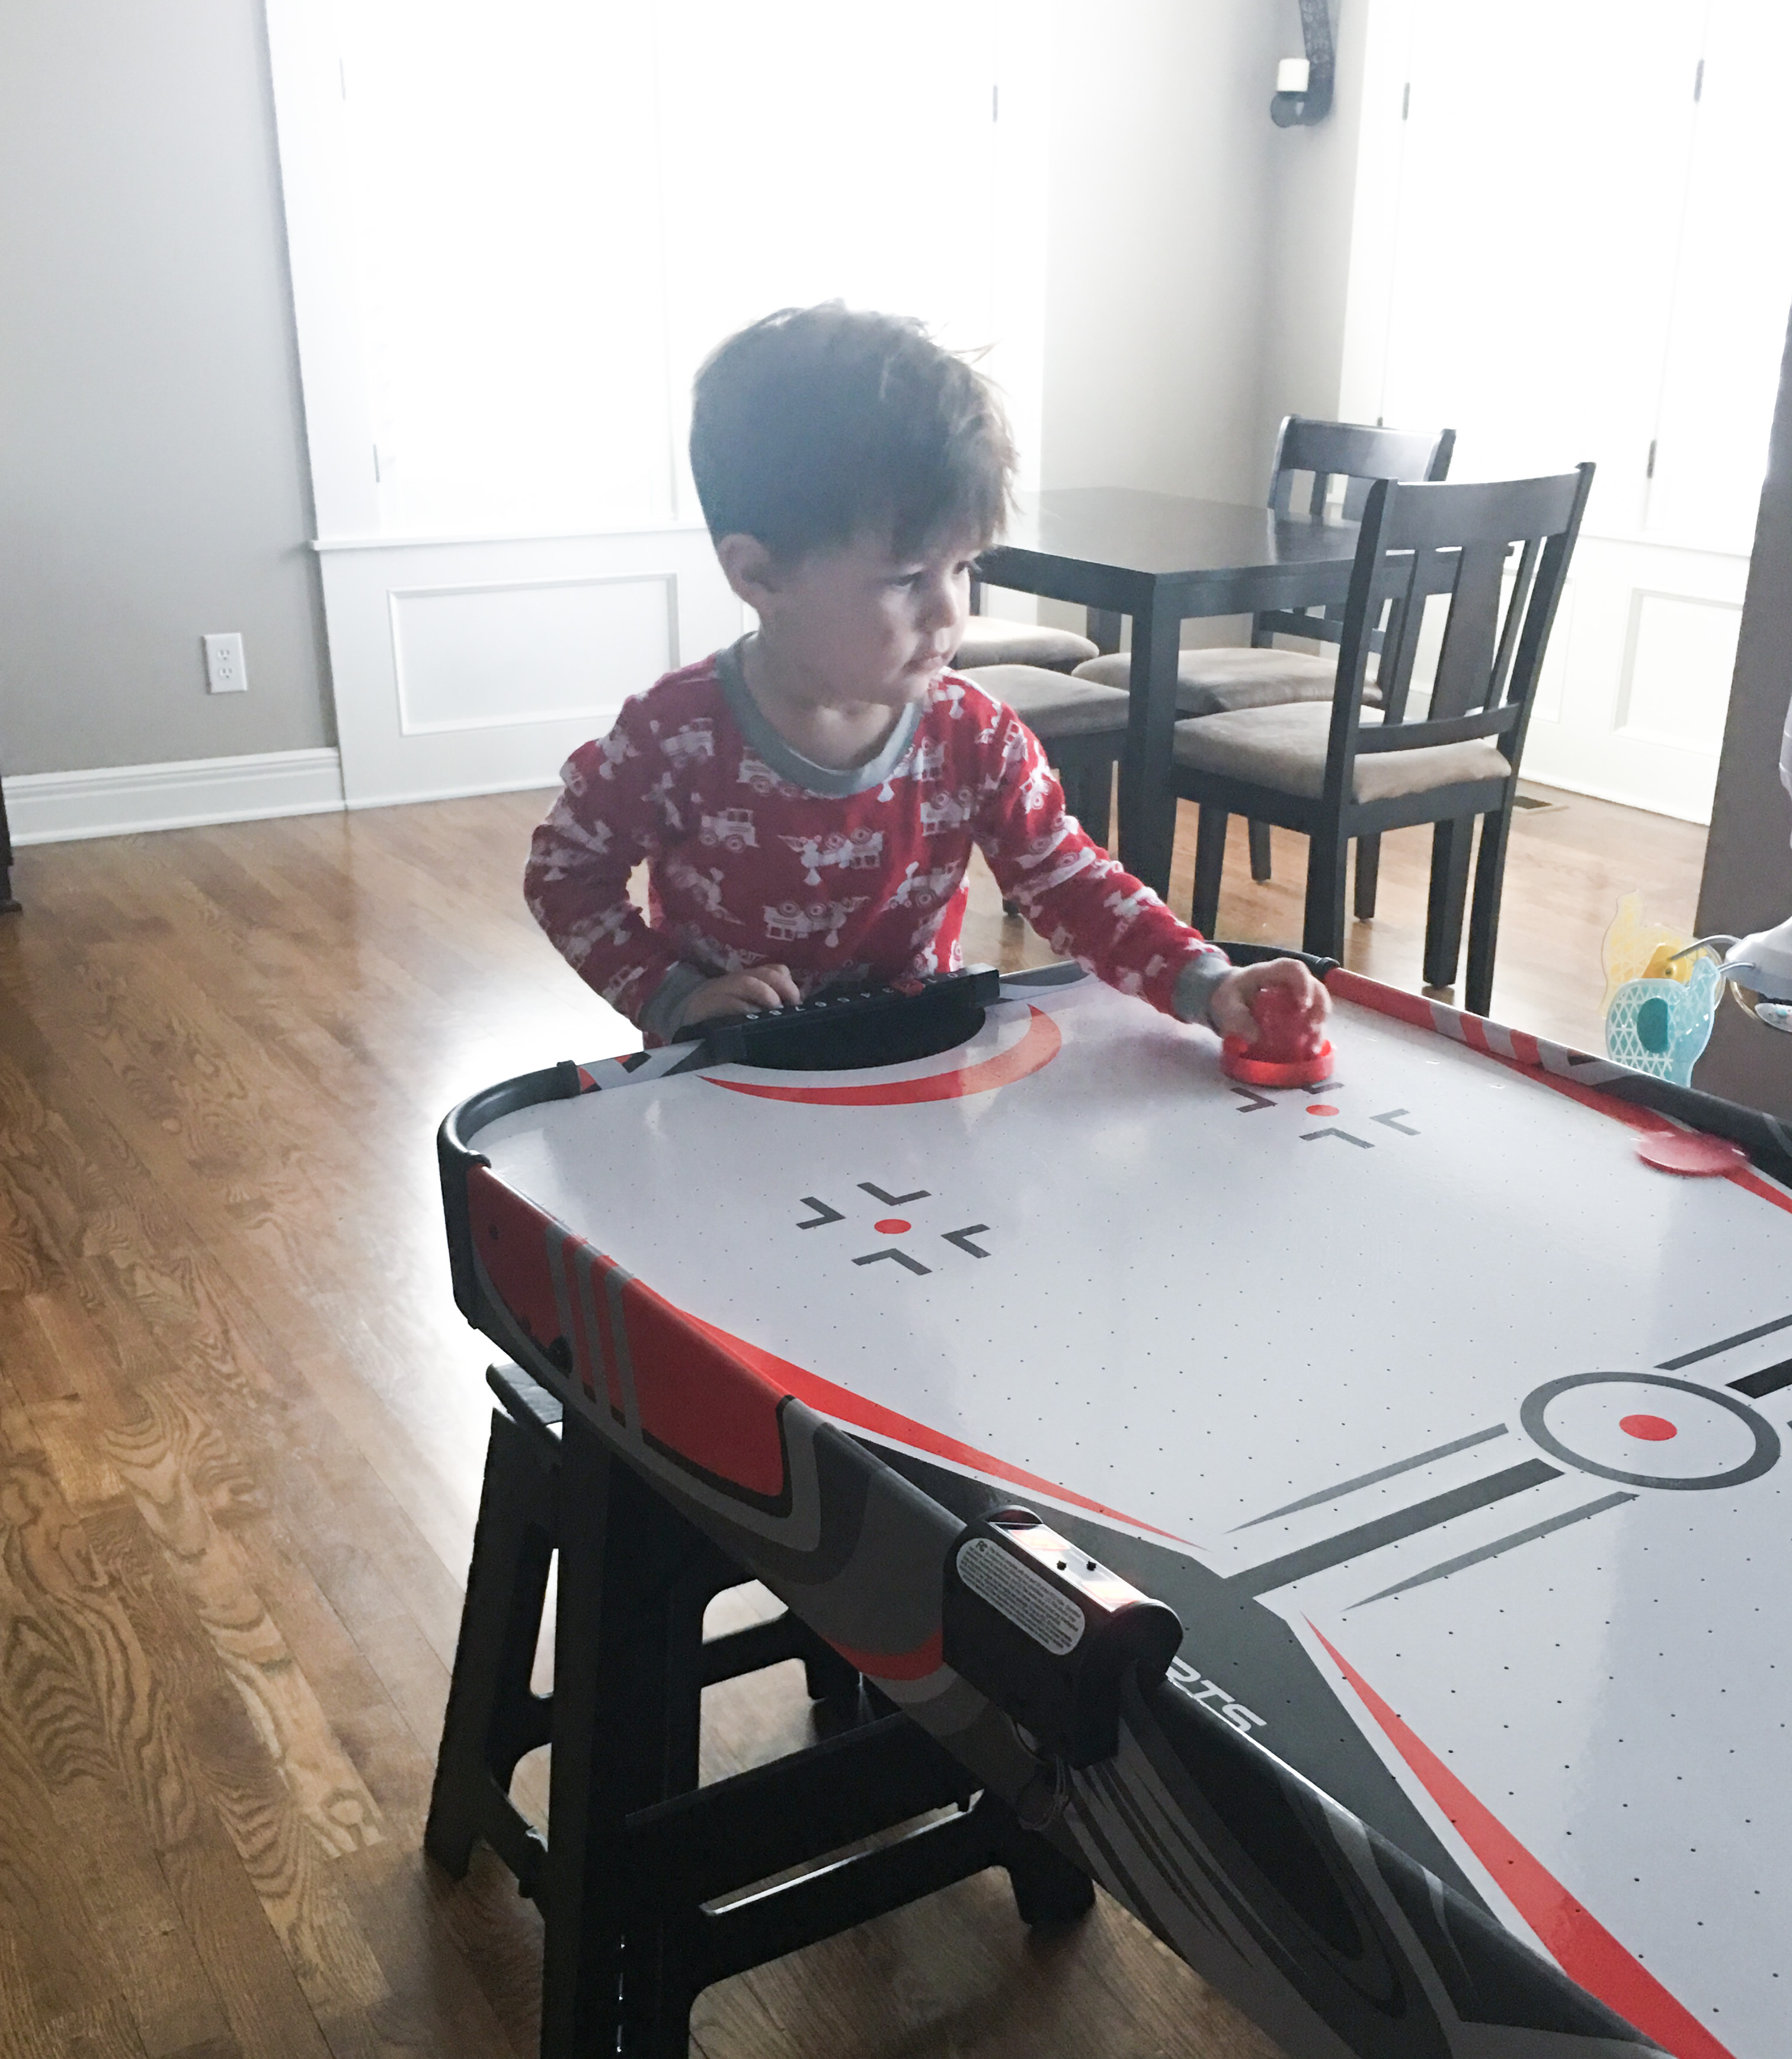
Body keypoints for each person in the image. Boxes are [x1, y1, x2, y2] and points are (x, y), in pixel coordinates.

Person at [526, 303, 1329, 1049]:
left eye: (964, 566)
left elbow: (1071, 881)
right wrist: (672, 997)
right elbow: (566, 877)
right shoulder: (675, 736)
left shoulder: (974, 734)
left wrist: (1206, 982)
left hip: (920, 1061)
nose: (949, 610)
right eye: (908, 577)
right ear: (759, 575)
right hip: (736, 1077)